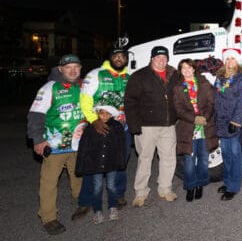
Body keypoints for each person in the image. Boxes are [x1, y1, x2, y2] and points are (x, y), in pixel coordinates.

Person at [27, 54, 86, 235]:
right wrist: (38, 139)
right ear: (60, 69)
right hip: (54, 146)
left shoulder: (83, 86)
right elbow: (35, 116)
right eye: (69, 67)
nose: (73, 70)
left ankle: (82, 201)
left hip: (78, 144)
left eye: (76, 67)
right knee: (49, 182)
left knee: (79, 176)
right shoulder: (49, 88)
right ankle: (49, 217)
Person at [72, 47, 130, 222]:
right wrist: (94, 120)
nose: (119, 59)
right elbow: (84, 99)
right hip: (98, 128)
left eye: (122, 56)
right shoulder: (96, 74)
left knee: (120, 163)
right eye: (115, 56)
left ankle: (118, 195)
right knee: (93, 167)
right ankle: (86, 201)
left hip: (121, 129)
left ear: (126, 59)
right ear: (110, 57)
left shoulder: (129, 77)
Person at [124, 45, 179, 207]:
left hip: (168, 125)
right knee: (145, 159)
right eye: (158, 58)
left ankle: (165, 188)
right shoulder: (139, 76)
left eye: (164, 58)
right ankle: (140, 192)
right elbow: (130, 102)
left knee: (168, 158)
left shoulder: (173, 75)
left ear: (167, 59)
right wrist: (134, 126)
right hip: (146, 127)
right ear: (152, 59)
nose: (161, 61)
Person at [173, 59, 218, 202]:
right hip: (188, 128)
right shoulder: (178, 87)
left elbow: (211, 103)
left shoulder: (204, 83)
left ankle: (200, 184)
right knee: (189, 161)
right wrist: (193, 118)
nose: (186, 70)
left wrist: (204, 117)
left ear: (194, 69)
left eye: (189, 67)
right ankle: (190, 186)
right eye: (183, 68)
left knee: (204, 160)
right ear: (180, 71)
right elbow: (178, 109)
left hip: (205, 127)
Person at [75, 105, 126, 223]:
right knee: (97, 187)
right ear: (97, 113)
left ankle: (113, 207)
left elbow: (121, 146)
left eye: (108, 113)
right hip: (96, 163)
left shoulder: (117, 126)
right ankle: (97, 210)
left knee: (111, 185)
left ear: (112, 114)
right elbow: (84, 147)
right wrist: (82, 164)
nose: (104, 116)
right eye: (102, 113)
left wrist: (121, 161)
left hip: (111, 162)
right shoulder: (90, 128)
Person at [214, 48, 242, 201]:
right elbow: (216, 98)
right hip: (221, 122)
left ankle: (233, 187)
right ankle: (227, 182)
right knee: (226, 154)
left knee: (235, 155)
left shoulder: (241, 79)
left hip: (233, 122)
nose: (230, 62)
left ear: (237, 61)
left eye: (233, 59)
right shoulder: (219, 78)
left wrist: (236, 121)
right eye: (227, 59)